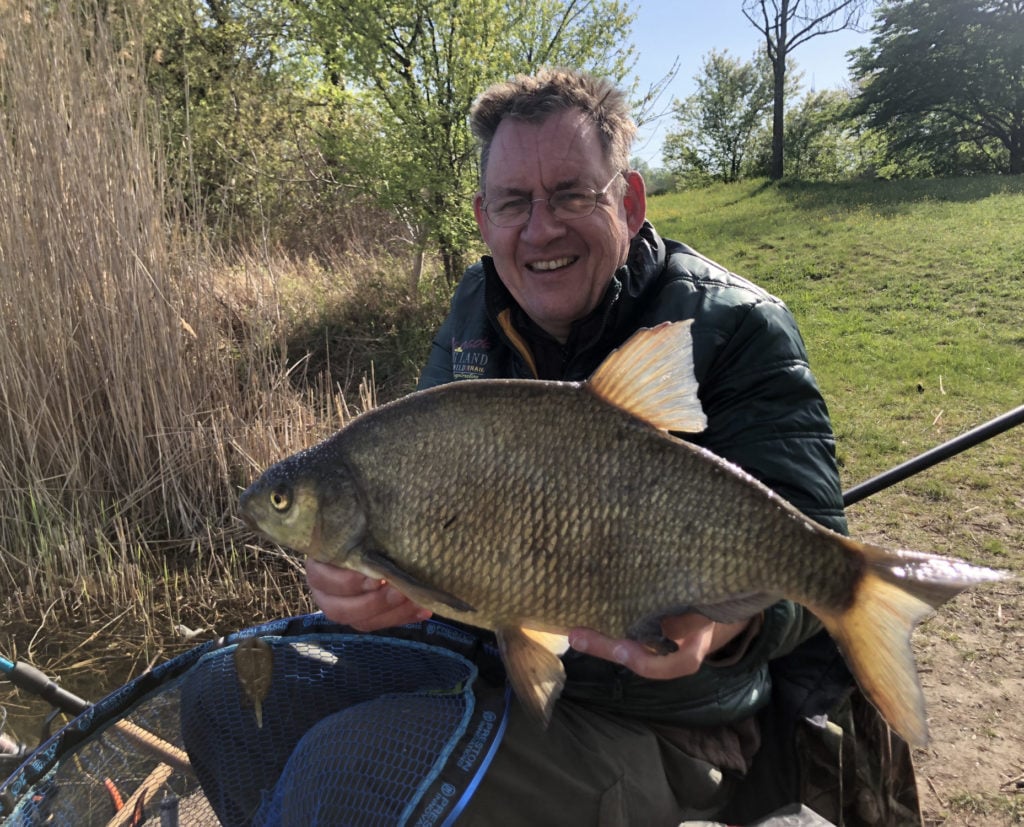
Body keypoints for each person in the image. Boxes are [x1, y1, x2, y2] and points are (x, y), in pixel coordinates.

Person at [185, 68, 920, 825]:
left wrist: (722, 624)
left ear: (629, 202)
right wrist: (363, 585)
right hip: (493, 667)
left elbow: (813, 533)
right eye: (514, 202)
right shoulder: (475, 308)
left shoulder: (738, 325)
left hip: (671, 723)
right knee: (226, 694)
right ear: (483, 216)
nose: (541, 228)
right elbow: (415, 513)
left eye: (572, 194)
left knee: (345, 774)